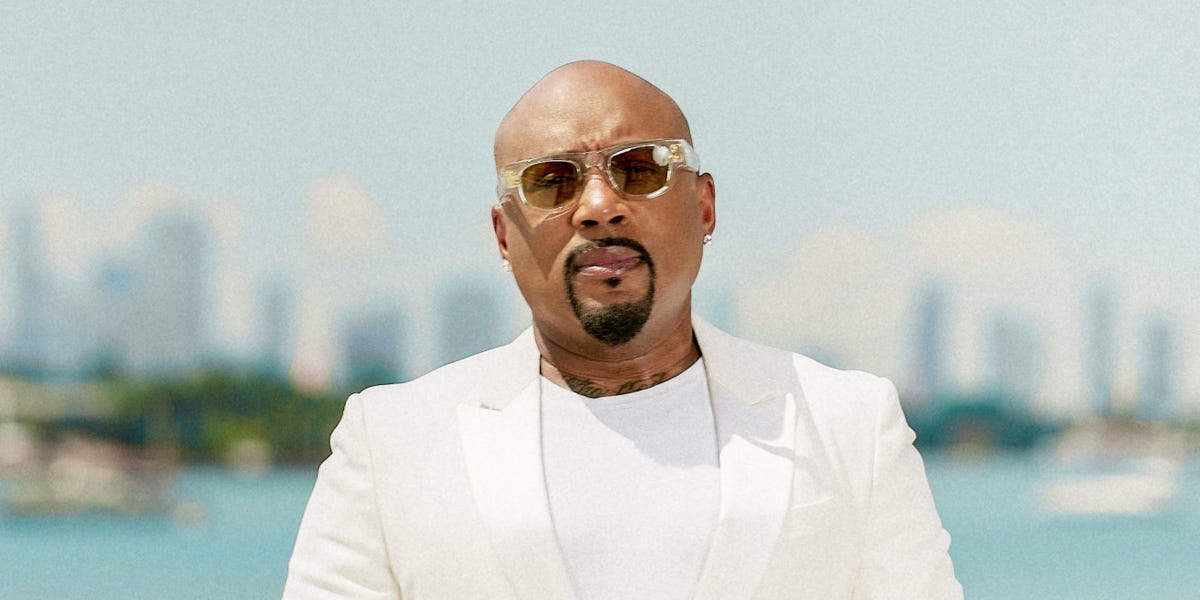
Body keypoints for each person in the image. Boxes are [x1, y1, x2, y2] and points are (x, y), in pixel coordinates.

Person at [283, 61, 963, 600]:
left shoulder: (847, 425)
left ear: (704, 205)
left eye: (640, 169)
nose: (599, 207)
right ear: (503, 234)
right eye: (550, 182)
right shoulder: (393, 442)